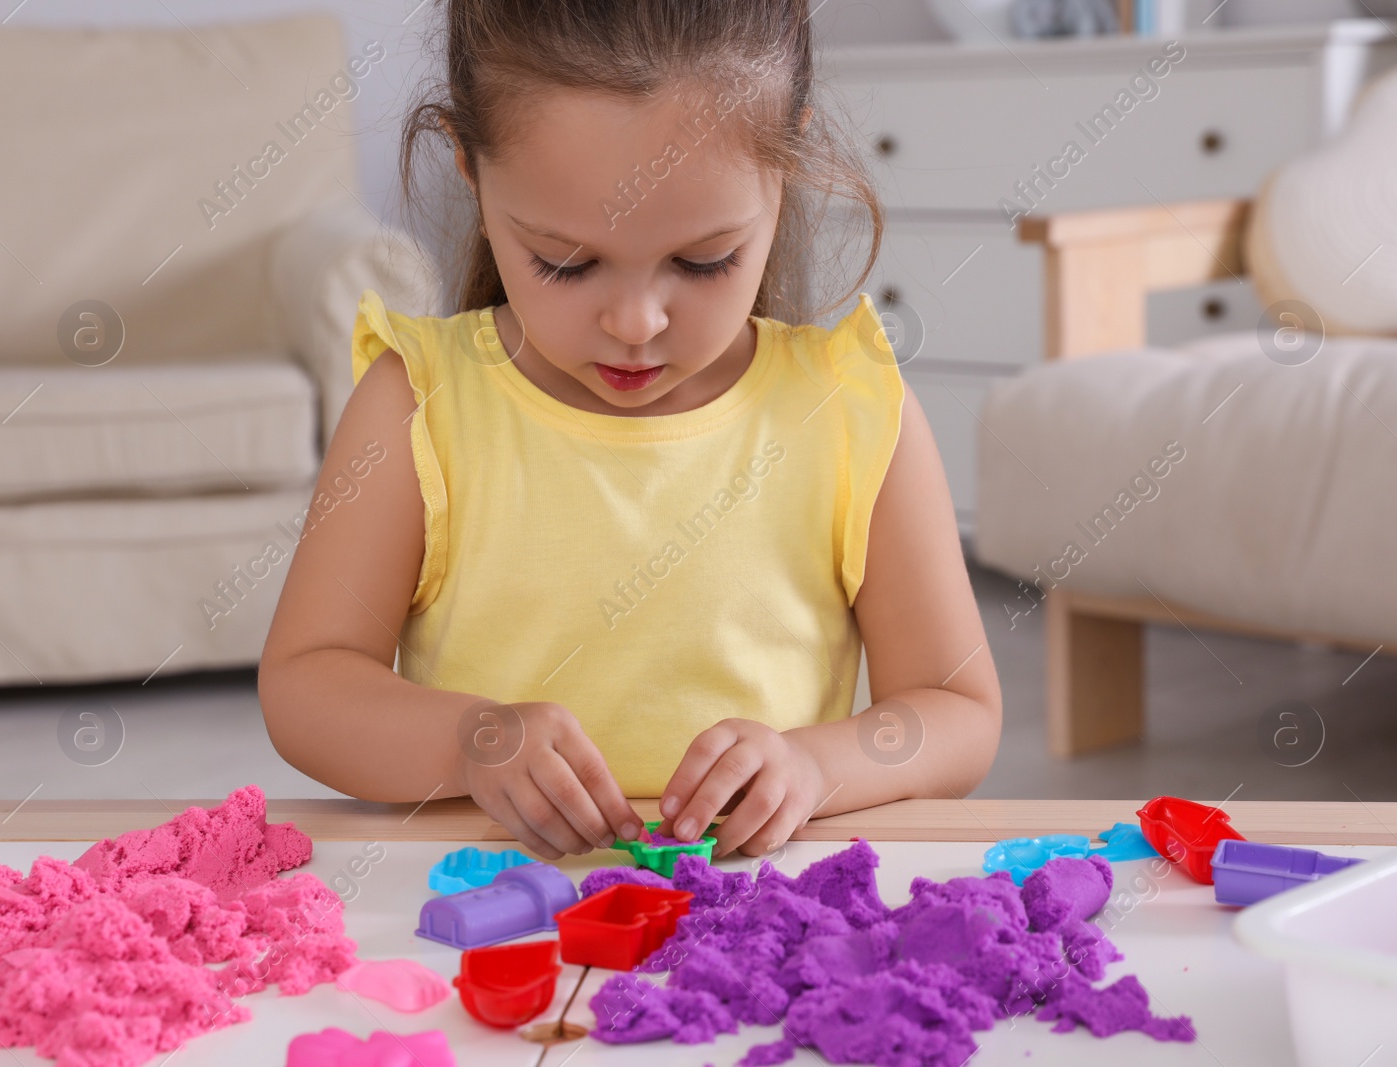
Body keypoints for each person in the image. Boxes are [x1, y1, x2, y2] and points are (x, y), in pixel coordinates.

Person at [258, 0, 1001, 862]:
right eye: (566, 264)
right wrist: (470, 739)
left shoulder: (848, 408)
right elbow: (308, 683)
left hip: (754, 922)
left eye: (702, 261)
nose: (637, 322)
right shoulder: (418, 401)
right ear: (469, 165)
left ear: (786, 163)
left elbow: (959, 714)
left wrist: (812, 764)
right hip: (489, 922)